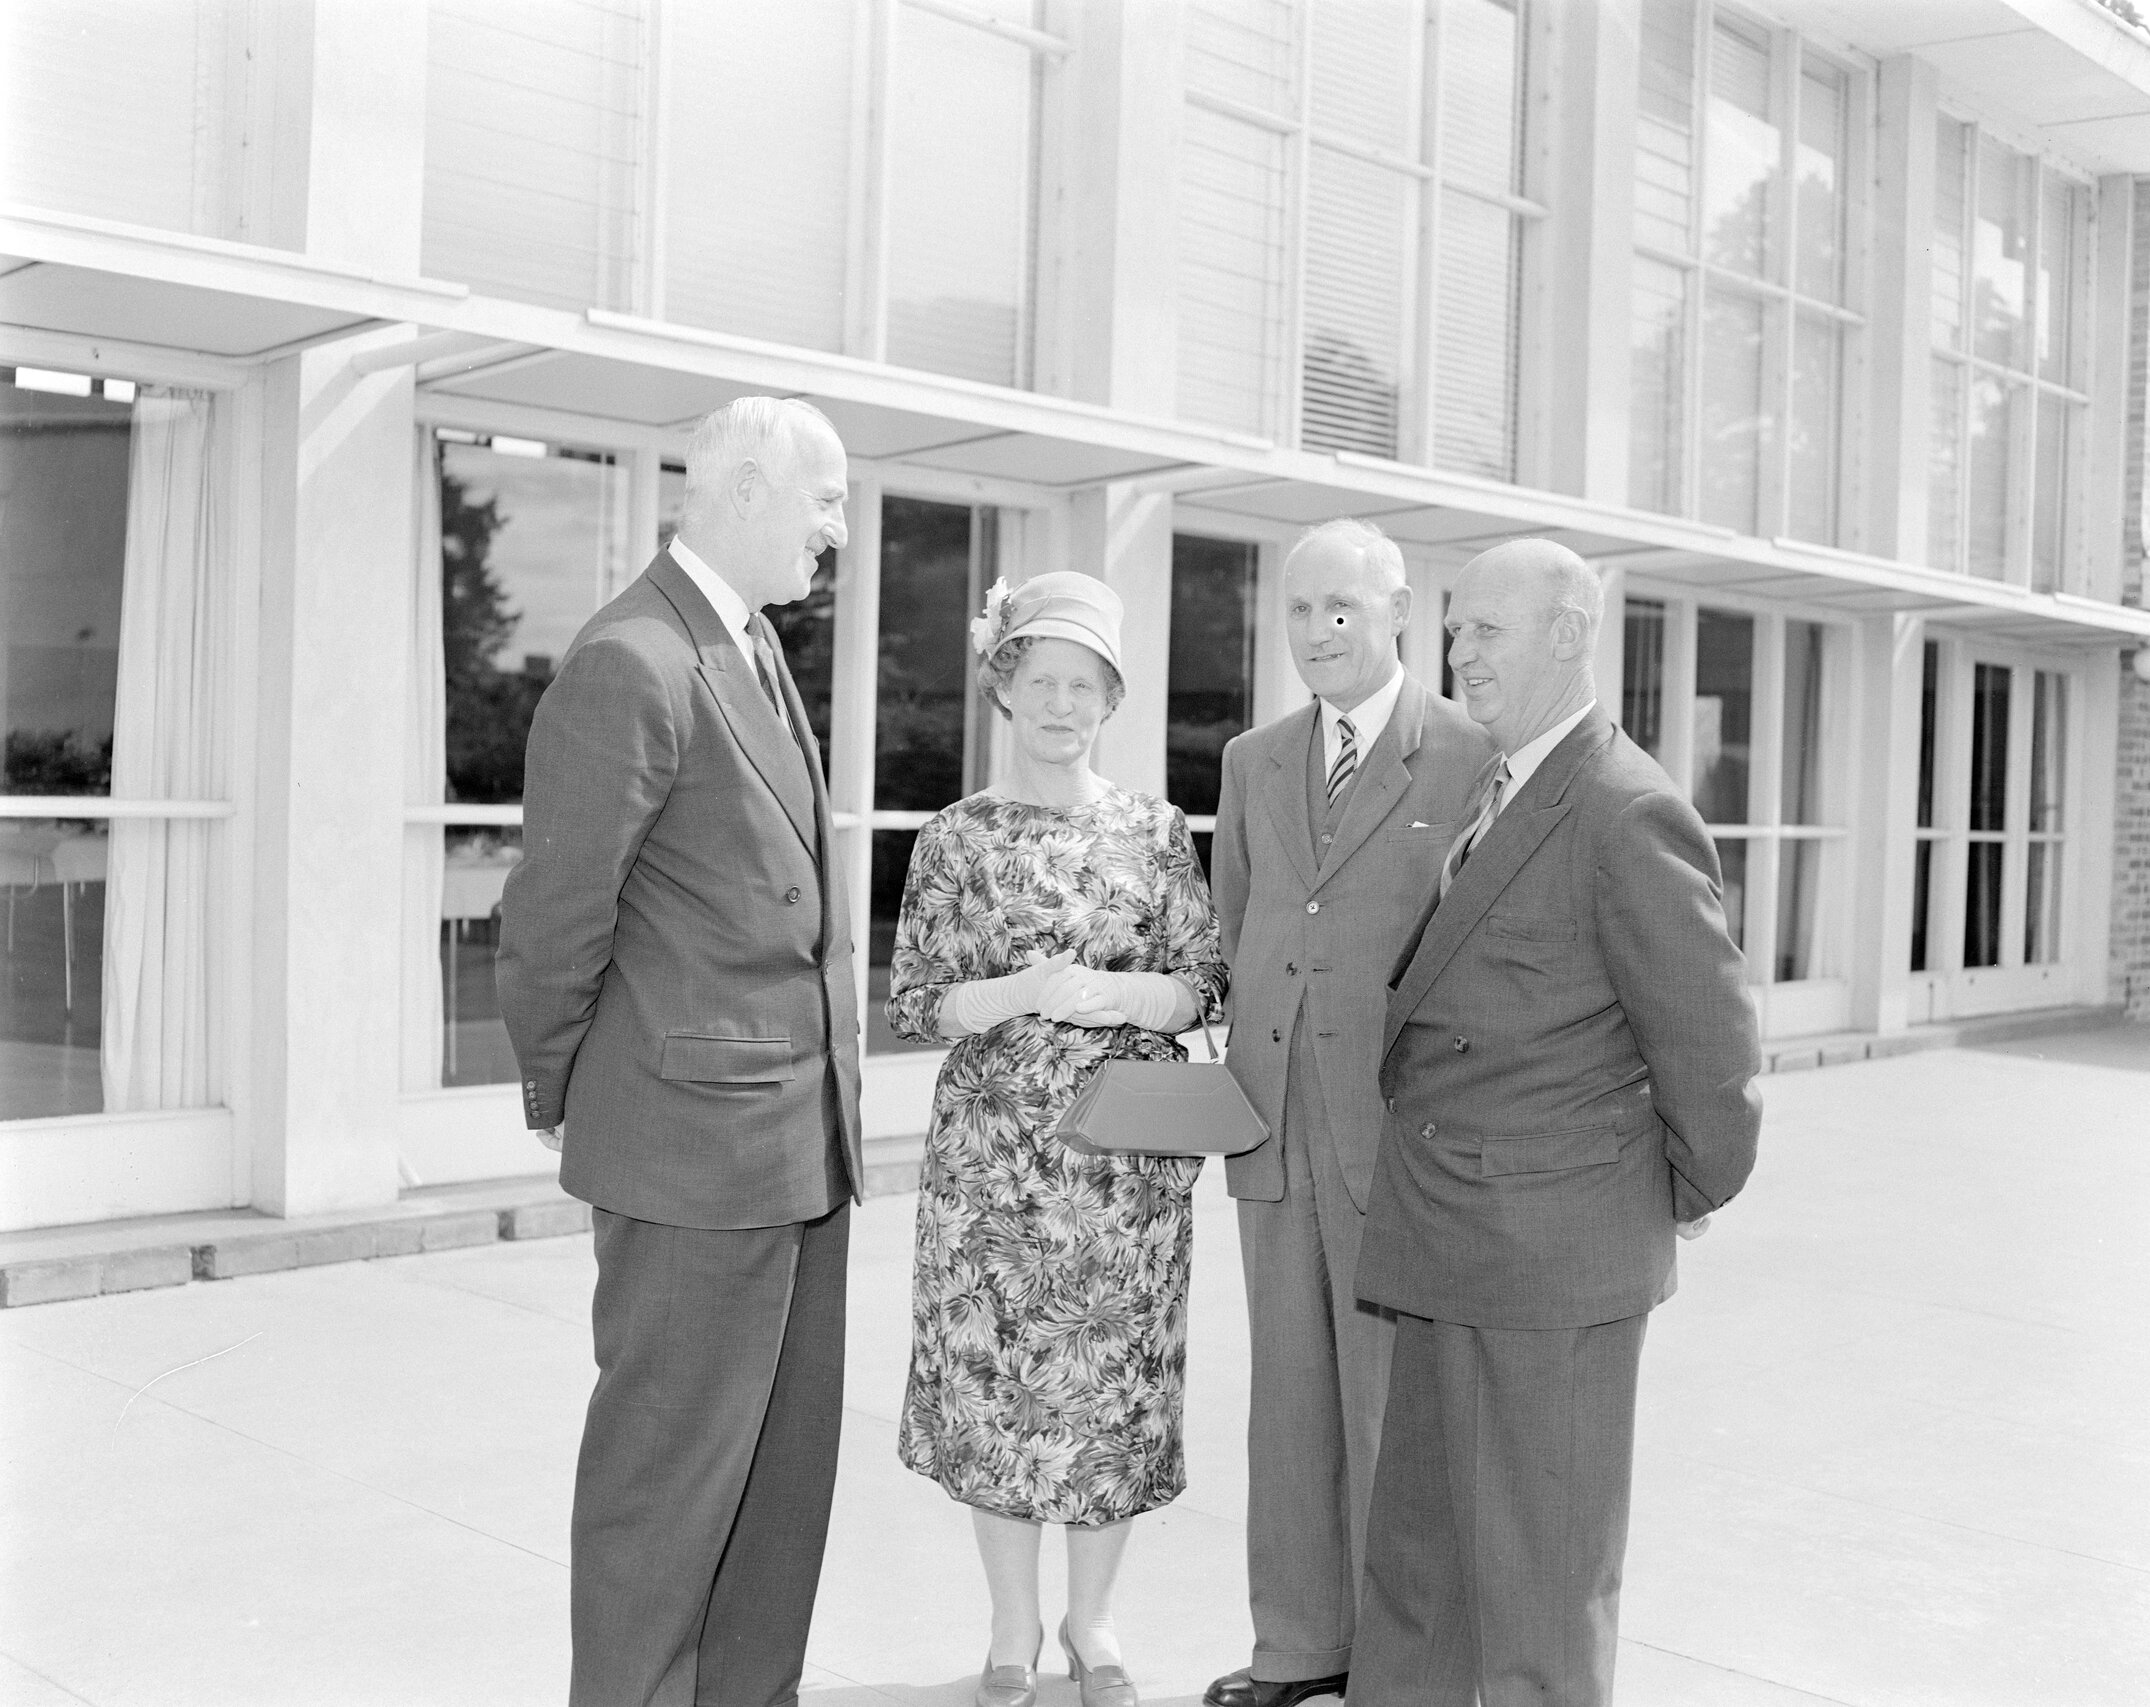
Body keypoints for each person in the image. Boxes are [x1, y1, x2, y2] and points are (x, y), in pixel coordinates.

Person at [495, 396, 863, 1707]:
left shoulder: (746, 645)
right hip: (696, 1154)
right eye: (824, 499)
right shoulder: (635, 657)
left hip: (795, 1148)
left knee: (773, 1489)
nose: (837, 527)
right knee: (667, 1495)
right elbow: (556, 906)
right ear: (751, 490)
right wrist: (560, 1081)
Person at [1351, 538, 1763, 1707]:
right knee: (1416, 1571)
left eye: (1484, 629)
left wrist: (1665, 1195)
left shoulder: (1624, 807)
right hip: (1444, 1236)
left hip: (1551, 1259)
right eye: (1452, 629)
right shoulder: (1501, 783)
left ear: (1570, 634)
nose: (1456, 653)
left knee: (1537, 1588)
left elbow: (1709, 1051)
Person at [886, 571, 1229, 1707]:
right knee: (994, 1386)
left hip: (1124, 1169)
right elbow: (915, 997)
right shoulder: (955, 837)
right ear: (1004, 688)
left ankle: (1093, 1624)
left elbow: (1203, 984)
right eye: (1041, 680)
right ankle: (1011, 1624)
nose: (1061, 703)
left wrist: (1127, 1000)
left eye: (1083, 685)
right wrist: (1007, 994)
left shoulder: (1154, 830)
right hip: (993, 1161)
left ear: (1110, 699)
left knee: (1109, 1390)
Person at [1204, 519, 1494, 1707]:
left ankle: (1398, 1664)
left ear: (1395, 613)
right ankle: (1297, 1648)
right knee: (1286, 1406)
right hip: (1274, 1130)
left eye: (1342, 609)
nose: (1316, 631)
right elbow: (1235, 926)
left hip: (1397, 1139)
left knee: (1394, 1414)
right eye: (1297, 610)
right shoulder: (1250, 759)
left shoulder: (1469, 754)